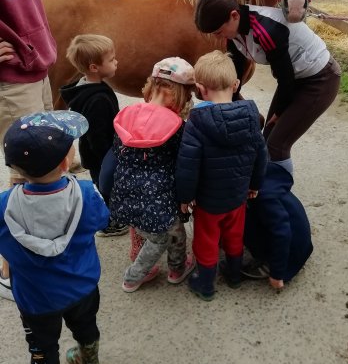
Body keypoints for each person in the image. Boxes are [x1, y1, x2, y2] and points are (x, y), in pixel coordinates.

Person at [0, 111, 110, 364]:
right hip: (83, 286)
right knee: (86, 326)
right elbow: (103, 220)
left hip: (37, 298)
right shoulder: (86, 194)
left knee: (42, 344)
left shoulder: (5, 206)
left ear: (15, 168)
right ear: (65, 163)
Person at [0, 0, 68, 301]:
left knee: (41, 166)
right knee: (24, 174)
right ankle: (11, 268)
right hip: (11, 78)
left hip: (36, 69)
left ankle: (35, 250)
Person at [194, 0, 341, 176]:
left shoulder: (266, 31)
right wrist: (230, 100)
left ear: (234, 15)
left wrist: (279, 112)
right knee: (266, 139)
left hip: (320, 79)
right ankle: (263, 186)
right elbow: (235, 71)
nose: (217, 36)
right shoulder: (233, 30)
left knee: (277, 145)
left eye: (218, 32)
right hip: (296, 77)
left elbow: (285, 78)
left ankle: (278, 192)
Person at [176, 50, 268, 301]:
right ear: (236, 84)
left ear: (200, 89)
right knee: (234, 235)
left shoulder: (196, 122)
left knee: (206, 240)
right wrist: (255, 184)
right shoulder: (251, 116)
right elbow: (262, 155)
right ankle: (234, 275)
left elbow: (187, 165)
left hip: (208, 202)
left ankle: (205, 284)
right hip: (238, 197)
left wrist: (185, 197)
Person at [109, 57, 196, 293]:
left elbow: (117, 151)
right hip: (158, 199)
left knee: (159, 230)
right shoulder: (177, 126)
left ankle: (174, 266)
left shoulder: (127, 114)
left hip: (125, 193)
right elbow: (182, 164)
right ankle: (137, 276)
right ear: (180, 93)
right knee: (166, 237)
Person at [60, 34, 127, 237]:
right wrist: (110, 158)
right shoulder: (97, 99)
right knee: (106, 188)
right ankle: (109, 225)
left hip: (95, 154)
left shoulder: (87, 88)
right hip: (101, 156)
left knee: (104, 186)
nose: (116, 62)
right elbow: (97, 137)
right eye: (111, 59)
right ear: (94, 67)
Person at [242, 162, 314, 290]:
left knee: (245, 221)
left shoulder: (264, 198)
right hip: (298, 240)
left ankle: (268, 264)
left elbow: (282, 234)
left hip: (292, 252)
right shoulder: (266, 177)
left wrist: (277, 273)